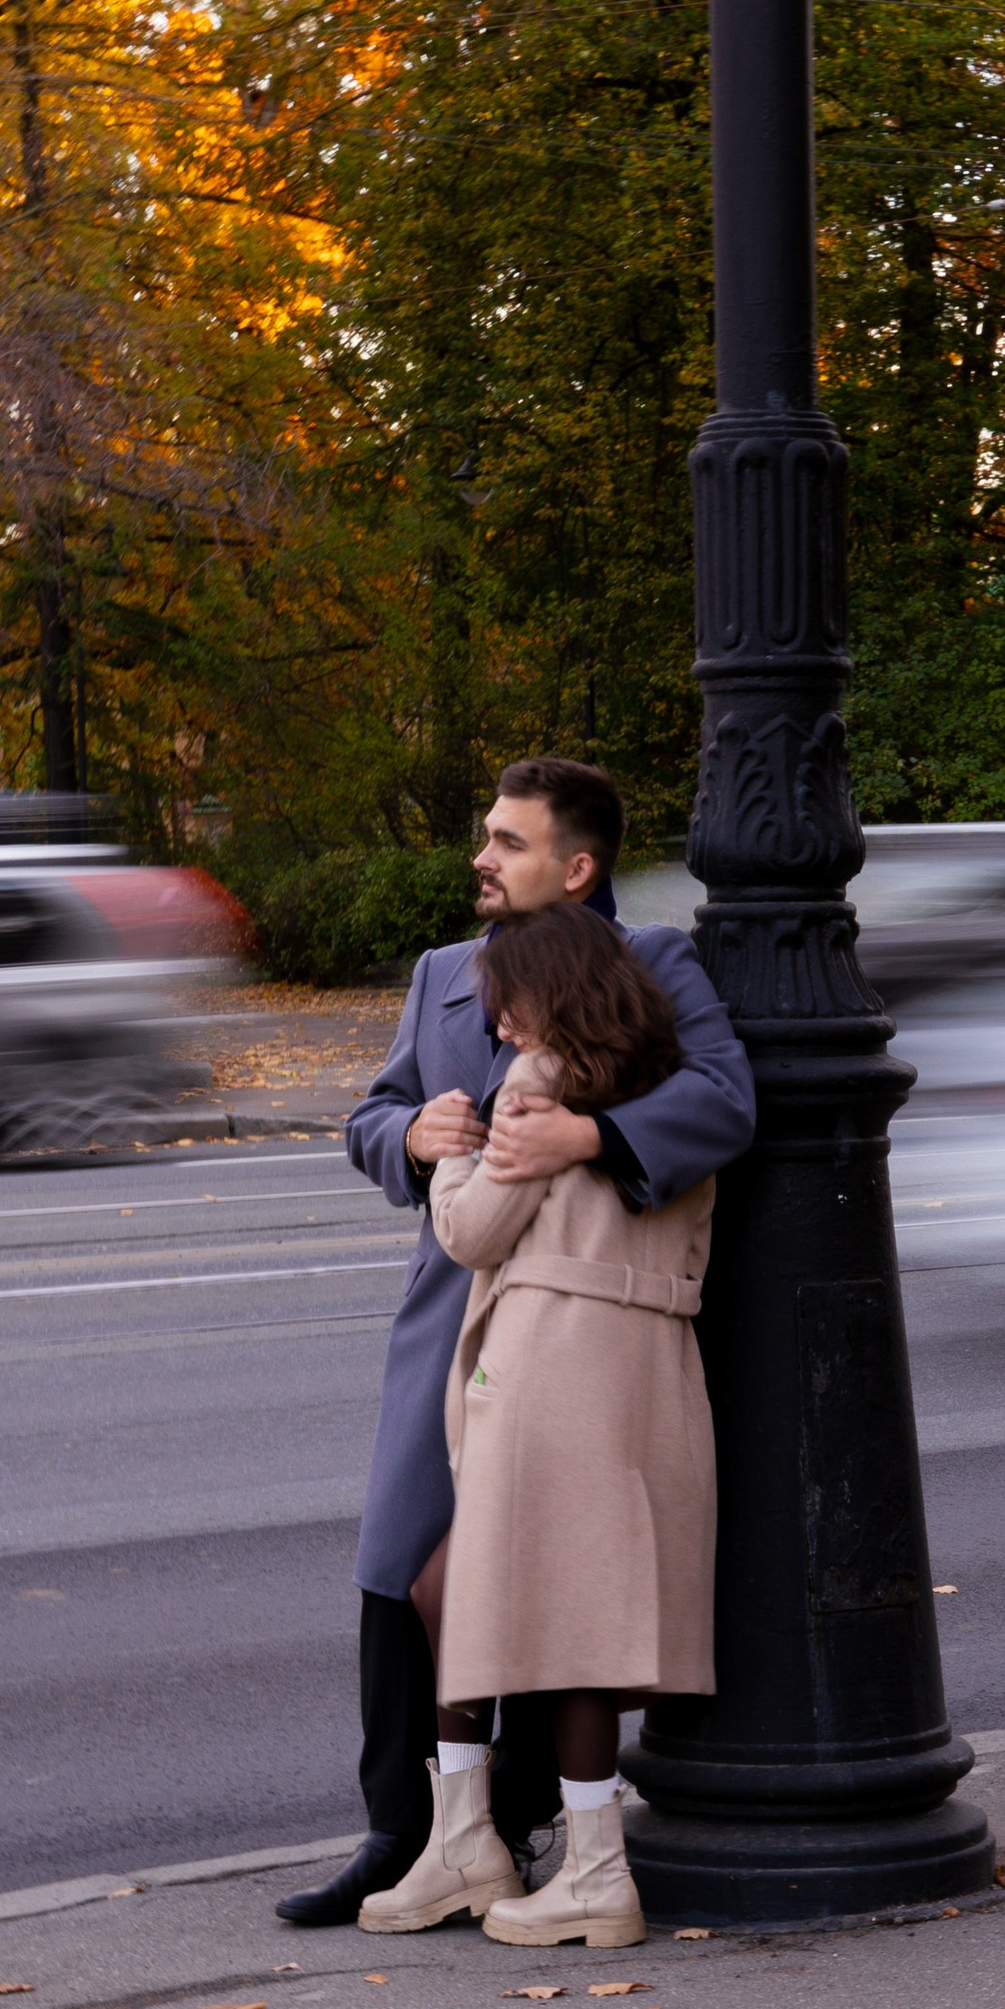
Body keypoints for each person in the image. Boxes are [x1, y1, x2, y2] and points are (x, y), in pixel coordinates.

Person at [275, 758, 753, 1927]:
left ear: (574, 867)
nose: (480, 858)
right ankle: (410, 1832)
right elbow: (370, 1116)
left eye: (506, 841)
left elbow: (727, 1102)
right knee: (407, 1568)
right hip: (452, 1311)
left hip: (569, 1324)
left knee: (552, 1575)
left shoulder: (653, 965)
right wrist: (411, 1132)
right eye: (485, 837)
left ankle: (531, 1825)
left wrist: (588, 1134)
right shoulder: (445, 975)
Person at [364, 903, 716, 1944]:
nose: (499, 1022)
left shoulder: (536, 1080)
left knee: (558, 1620)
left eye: (506, 998)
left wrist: (456, 1157)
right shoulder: (655, 1076)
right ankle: (471, 1838)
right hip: (647, 1350)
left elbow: (473, 1231)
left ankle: (582, 1867)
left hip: (549, 1351)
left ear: (546, 991)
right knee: (481, 1589)